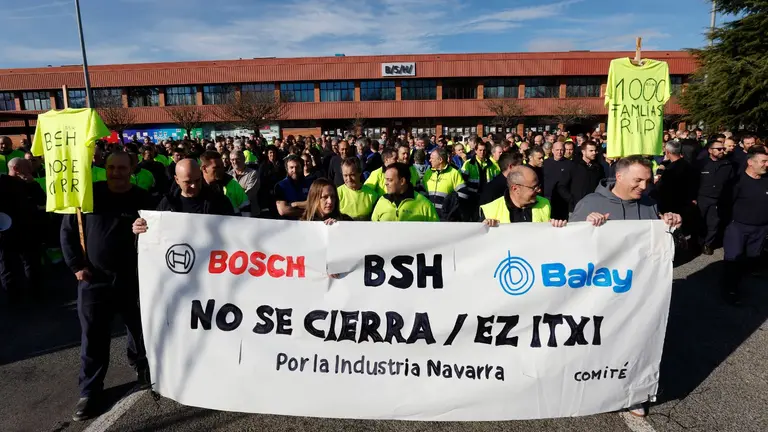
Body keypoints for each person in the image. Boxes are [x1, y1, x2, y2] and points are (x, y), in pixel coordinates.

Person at [61, 152, 153, 421]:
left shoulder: (143, 198)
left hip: (132, 276)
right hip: (94, 280)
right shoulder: (88, 195)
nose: (116, 172)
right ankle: (90, 391)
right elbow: (67, 232)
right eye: (111, 167)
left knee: (138, 327)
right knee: (93, 336)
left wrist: (145, 226)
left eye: (122, 167)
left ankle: (143, 368)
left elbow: (159, 231)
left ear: (131, 168)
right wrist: (76, 265)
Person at [570, 155, 683, 229]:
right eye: (638, 180)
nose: (644, 187)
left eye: (648, 181)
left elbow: (665, 251)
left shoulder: (650, 204)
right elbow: (569, 243)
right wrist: (585, 225)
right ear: (619, 177)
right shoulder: (589, 203)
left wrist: (673, 228)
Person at [720, 146, 768, 305]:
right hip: (738, 227)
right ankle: (730, 290)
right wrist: (729, 224)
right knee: (733, 260)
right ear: (750, 163)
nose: (766, 164)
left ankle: (739, 282)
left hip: (760, 229)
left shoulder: (766, 181)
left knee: (750, 259)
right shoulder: (737, 182)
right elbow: (724, 204)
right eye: (763, 161)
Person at [133, 159, 233, 224]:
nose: (193, 185)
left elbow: (235, 227)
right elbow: (153, 232)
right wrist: (140, 227)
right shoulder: (168, 203)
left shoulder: (219, 200)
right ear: (177, 180)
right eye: (188, 182)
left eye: (197, 180)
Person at [481, 166, 566, 227]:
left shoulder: (545, 204)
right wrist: (483, 228)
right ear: (515, 189)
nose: (539, 190)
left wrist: (557, 226)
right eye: (534, 187)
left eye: (538, 186)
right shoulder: (490, 210)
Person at [695, 139, 735, 255]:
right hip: (702, 198)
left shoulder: (728, 165)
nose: (722, 151)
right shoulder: (701, 164)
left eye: (723, 148)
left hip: (718, 199)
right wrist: (693, 197)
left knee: (713, 223)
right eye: (718, 149)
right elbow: (693, 181)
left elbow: (731, 183)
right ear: (710, 150)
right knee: (699, 221)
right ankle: (697, 242)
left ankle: (708, 244)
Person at [654, 140, 699, 238]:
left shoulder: (670, 170)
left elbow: (661, 188)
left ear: (667, 152)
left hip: (672, 205)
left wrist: (657, 181)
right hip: (686, 203)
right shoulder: (688, 166)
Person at [371, 163, 439, 222]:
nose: (386, 183)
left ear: (402, 181)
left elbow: (436, 231)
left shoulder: (424, 204)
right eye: (386, 180)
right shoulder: (382, 201)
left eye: (390, 180)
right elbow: (373, 229)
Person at [558, 140, 606, 214]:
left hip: (594, 207)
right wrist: (572, 200)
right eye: (591, 151)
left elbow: (602, 185)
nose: (594, 153)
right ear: (583, 152)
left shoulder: (598, 168)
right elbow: (561, 186)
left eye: (595, 150)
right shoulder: (573, 166)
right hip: (576, 208)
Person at [422, 147, 469, 221]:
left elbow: (464, 194)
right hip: (429, 216)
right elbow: (422, 191)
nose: (429, 160)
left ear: (440, 160)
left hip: (445, 219)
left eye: (432, 158)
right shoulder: (428, 172)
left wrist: (451, 207)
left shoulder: (454, 173)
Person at [200, 150, 250, 216]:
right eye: (216, 167)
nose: (221, 170)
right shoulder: (196, 186)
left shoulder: (232, 183)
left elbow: (246, 209)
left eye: (221, 166)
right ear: (204, 169)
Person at [274, 155, 313, 220]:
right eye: (291, 167)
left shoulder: (310, 184)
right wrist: (308, 212)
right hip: (287, 225)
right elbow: (283, 210)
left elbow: (315, 203)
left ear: (302, 167)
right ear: (287, 169)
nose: (294, 170)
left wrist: (295, 204)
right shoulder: (280, 186)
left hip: (307, 224)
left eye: (297, 167)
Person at [542, 141, 573, 220]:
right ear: (552, 150)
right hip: (547, 199)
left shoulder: (570, 164)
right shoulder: (545, 163)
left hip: (563, 201)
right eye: (557, 150)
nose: (559, 152)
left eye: (561, 150)